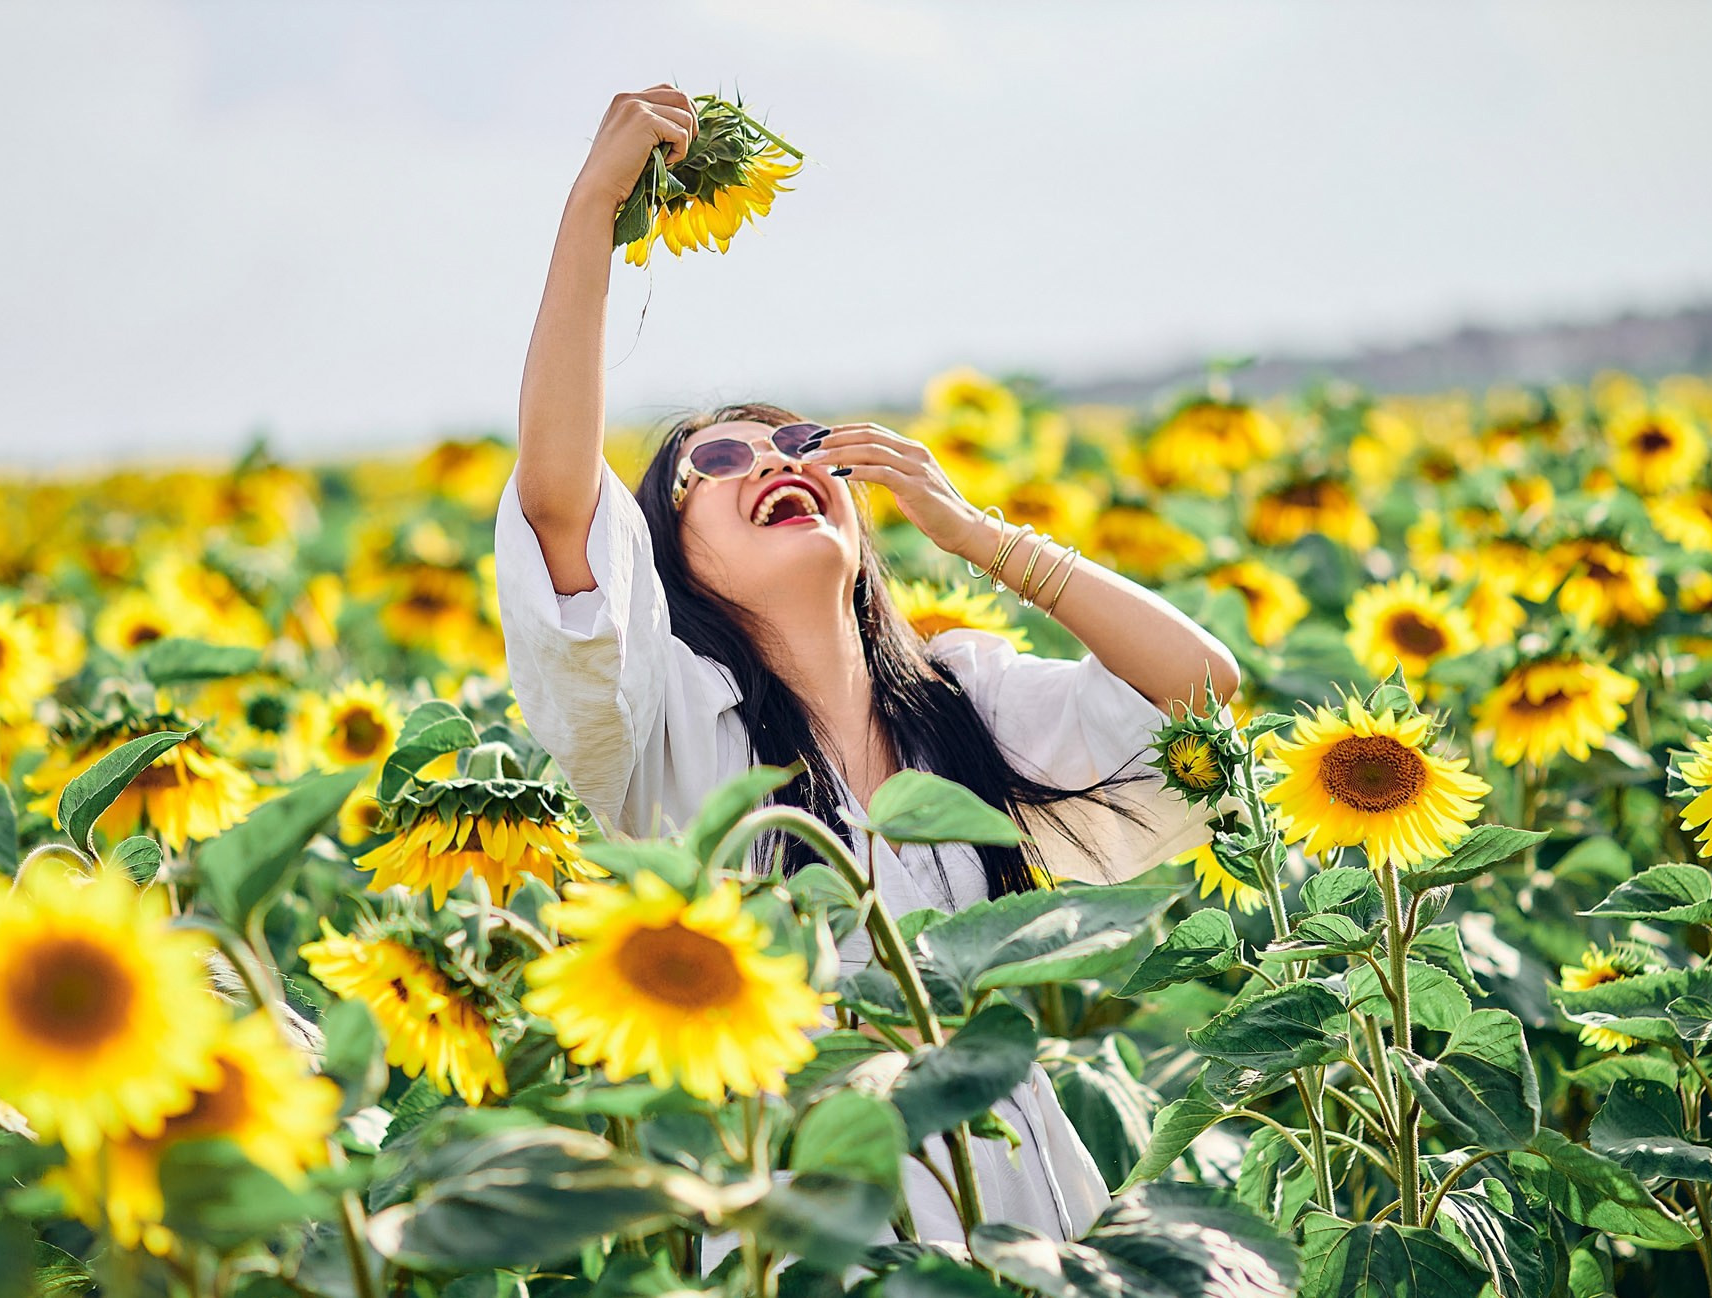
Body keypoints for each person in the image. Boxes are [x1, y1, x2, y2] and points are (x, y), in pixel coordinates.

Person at [494, 84, 1240, 1266]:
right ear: (668, 560)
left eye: (800, 447)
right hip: (820, 1234)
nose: (768, 465)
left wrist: (980, 536)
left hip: (1031, 1219)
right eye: (716, 463)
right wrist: (593, 208)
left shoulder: (961, 698)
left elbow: (1197, 697)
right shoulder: (674, 728)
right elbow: (555, 508)